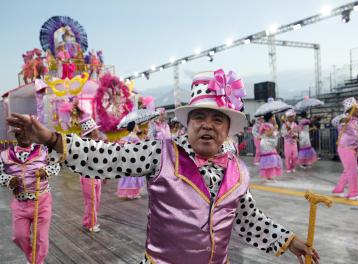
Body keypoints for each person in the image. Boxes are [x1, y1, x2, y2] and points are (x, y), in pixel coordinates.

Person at [7, 69, 319, 264]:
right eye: (199, 117)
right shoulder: (161, 153)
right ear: (189, 123)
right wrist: (49, 138)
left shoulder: (239, 171)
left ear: (227, 129)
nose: (207, 126)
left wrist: (289, 241)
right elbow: (104, 158)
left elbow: (247, 218)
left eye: (217, 119)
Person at [0, 130, 60, 264]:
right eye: (20, 133)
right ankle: (33, 258)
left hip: (42, 201)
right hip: (20, 204)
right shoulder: (5, 155)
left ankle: (37, 261)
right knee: (19, 236)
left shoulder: (43, 151)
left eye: (27, 131)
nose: (24, 135)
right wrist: (8, 180)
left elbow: (56, 166)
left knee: (41, 239)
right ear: (15, 135)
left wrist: (46, 171)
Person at [332, 97, 358, 201]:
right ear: (351, 108)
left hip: (354, 148)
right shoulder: (344, 118)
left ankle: (339, 190)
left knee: (347, 171)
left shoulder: (355, 122)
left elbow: (357, 137)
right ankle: (353, 194)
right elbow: (334, 121)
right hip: (345, 148)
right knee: (352, 171)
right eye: (357, 108)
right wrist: (343, 119)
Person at [79, 116, 105, 232]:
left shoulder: (96, 143)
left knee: (96, 200)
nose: (98, 132)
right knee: (92, 201)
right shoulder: (84, 145)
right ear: (91, 132)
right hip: (88, 176)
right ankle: (91, 224)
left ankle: (88, 221)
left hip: (97, 176)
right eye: (96, 130)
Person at [116, 121, 145, 200]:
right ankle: (133, 193)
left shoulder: (130, 135)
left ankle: (131, 193)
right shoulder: (134, 136)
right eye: (136, 125)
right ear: (134, 127)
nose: (137, 126)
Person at [259, 113, 282, 181]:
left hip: (270, 144)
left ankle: (270, 176)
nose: (274, 118)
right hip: (266, 144)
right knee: (270, 159)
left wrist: (275, 128)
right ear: (270, 118)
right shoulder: (265, 125)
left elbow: (274, 134)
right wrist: (274, 128)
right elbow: (267, 134)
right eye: (273, 117)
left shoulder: (271, 125)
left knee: (273, 159)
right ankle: (268, 176)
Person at [281, 109, 299, 173]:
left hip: (294, 143)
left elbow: (296, 132)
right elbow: (283, 134)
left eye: (293, 116)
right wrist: (288, 132)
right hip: (287, 143)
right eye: (291, 117)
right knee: (288, 156)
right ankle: (288, 168)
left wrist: (295, 135)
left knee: (295, 156)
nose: (293, 118)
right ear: (288, 118)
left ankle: (293, 167)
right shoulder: (284, 125)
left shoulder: (295, 124)